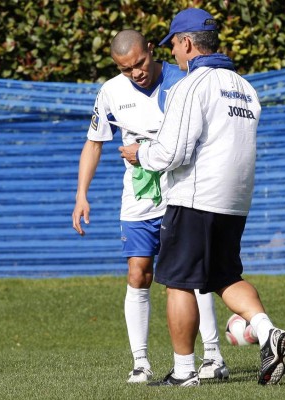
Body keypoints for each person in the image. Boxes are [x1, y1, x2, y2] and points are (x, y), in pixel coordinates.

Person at [119, 8, 285, 387]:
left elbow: (173, 152)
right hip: (235, 200)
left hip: (196, 198)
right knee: (225, 275)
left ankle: (183, 372)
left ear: (186, 43)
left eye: (175, 47)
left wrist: (141, 155)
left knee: (178, 281)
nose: (175, 56)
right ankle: (267, 333)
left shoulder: (192, 85)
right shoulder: (244, 86)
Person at [72, 29, 229, 384]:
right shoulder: (110, 92)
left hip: (183, 192)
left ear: (151, 51)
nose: (136, 73)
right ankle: (141, 362)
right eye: (126, 69)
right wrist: (81, 195)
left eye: (140, 63)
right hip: (139, 198)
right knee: (138, 272)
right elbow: (94, 143)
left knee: (191, 276)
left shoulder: (184, 82)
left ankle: (213, 356)